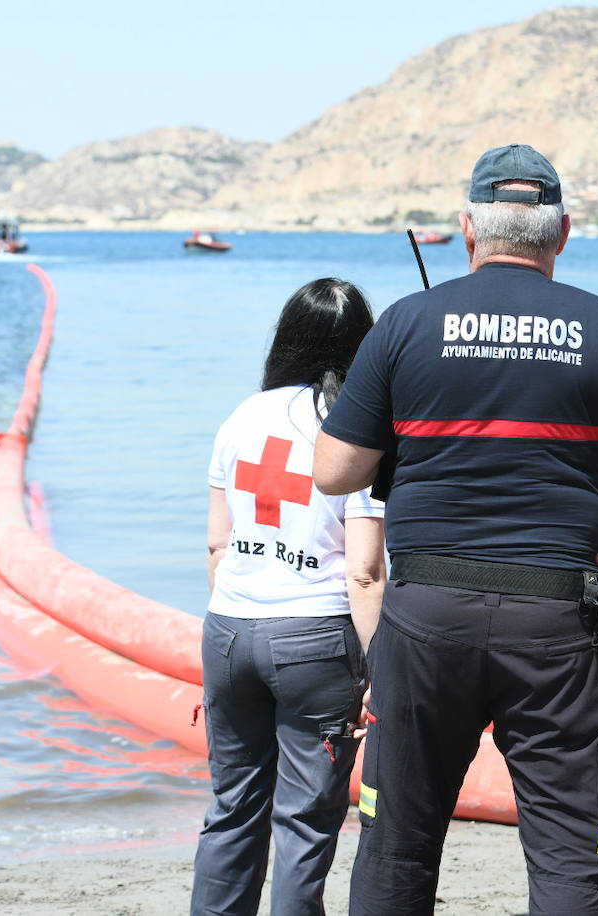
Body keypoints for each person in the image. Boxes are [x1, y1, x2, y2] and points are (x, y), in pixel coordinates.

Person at [312, 143, 598, 916]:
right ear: (562, 232)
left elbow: (334, 473)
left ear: (467, 230)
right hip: (558, 624)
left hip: (426, 615)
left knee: (396, 841)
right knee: (571, 850)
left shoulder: (407, 322)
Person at [191, 278, 386, 916]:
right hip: (316, 639)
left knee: (230, 809)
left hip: (229, 631)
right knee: (304, 822)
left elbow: (218, 546)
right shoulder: (354, 428)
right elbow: (363, 571)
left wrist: (246, 613)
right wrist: (378, 670)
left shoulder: (240, 418)